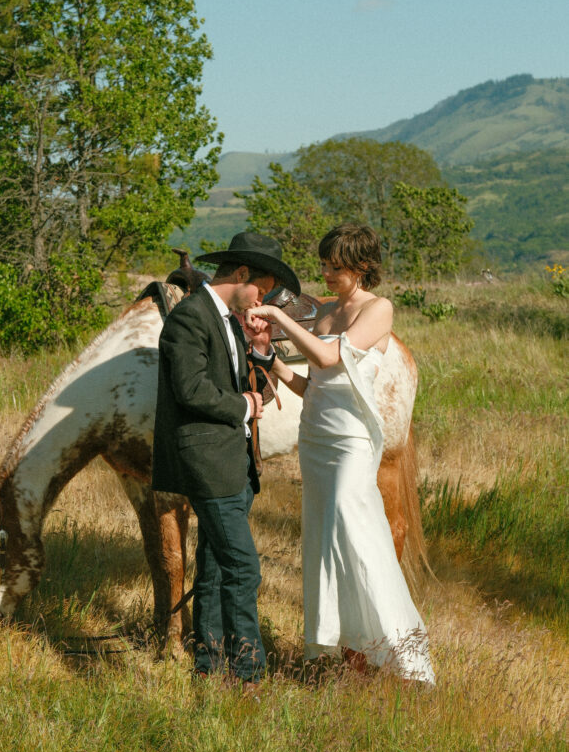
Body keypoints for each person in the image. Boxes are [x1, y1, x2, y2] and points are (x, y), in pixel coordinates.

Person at [245, 223, 435, 684]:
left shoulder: (379, 310)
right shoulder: (326, 312)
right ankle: (347, 647)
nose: (326, 273)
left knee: (358, 534)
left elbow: (333, 359)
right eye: (325, 264)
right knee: (325, 540)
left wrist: (280, 318)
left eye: (335, 266)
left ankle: (398, 651)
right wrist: (269, 360)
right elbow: (315, 387)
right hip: (316, 436)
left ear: (362, 266)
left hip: (352, 439)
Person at [152, 231, 301, 686]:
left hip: (236, 466)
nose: (265, 300)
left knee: (216, 567)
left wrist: (258, 348)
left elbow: (243, 376)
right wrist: (246, 406)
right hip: (207, 463)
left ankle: (209, 665)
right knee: (243, 567)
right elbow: (191, 389)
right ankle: (249, 675)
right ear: (241, 275)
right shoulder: (189, 320)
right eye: (264, 289)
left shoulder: (230, 320)